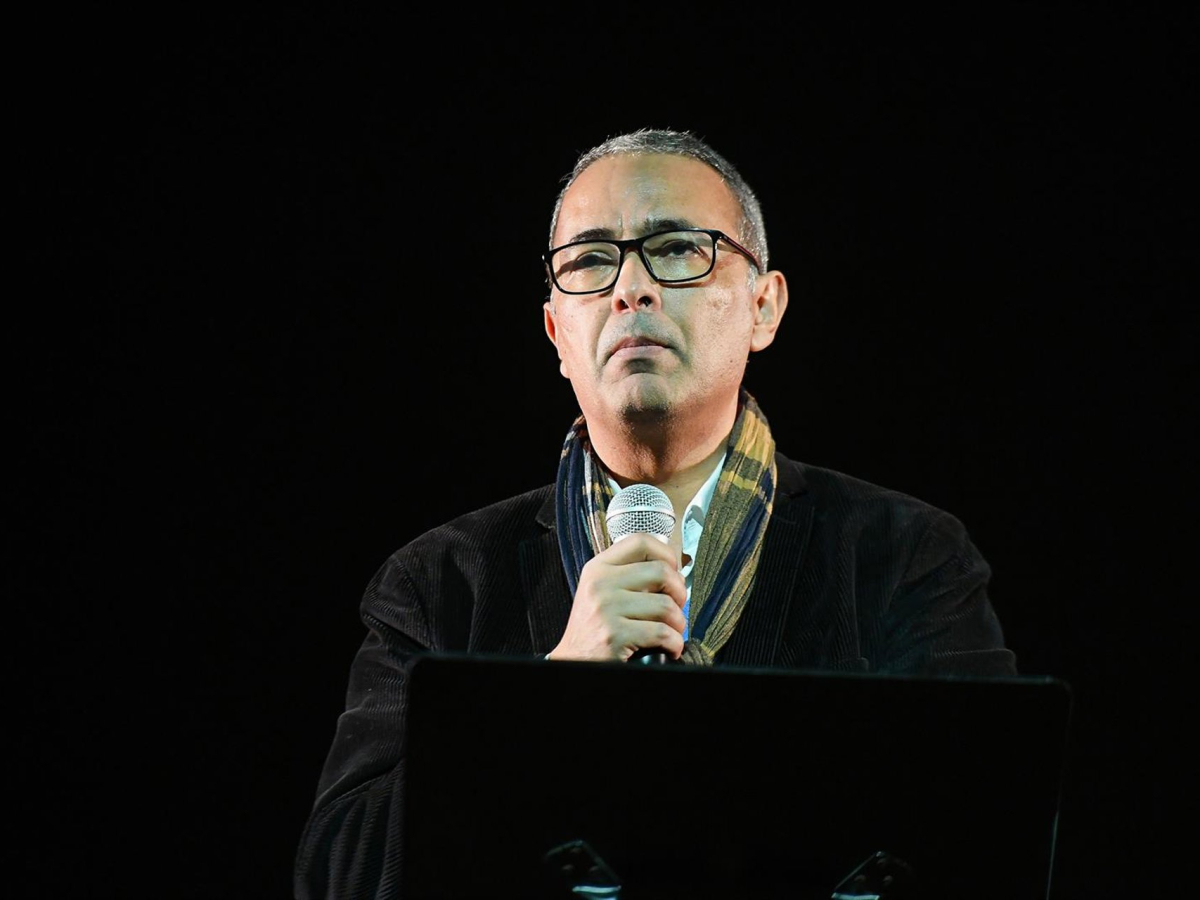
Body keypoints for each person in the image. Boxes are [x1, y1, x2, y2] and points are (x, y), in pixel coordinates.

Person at [293, 127, 1017, 898]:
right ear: (557, 333)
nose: (629, 289)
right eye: (590, 261)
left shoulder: (905, 557)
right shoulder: (437, 585)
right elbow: (341, 873)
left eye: (676, 249)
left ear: (763, 307)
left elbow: (999, 837)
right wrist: (549, 697)